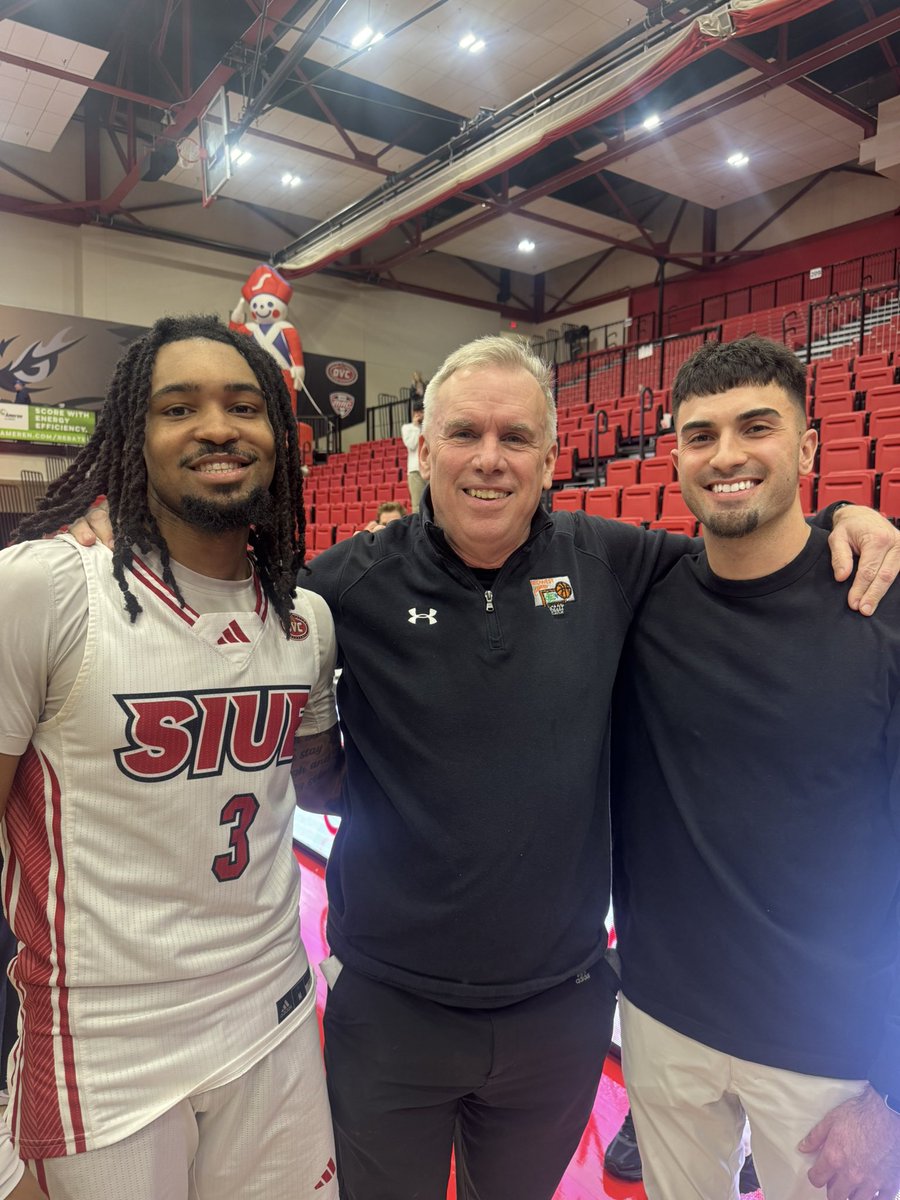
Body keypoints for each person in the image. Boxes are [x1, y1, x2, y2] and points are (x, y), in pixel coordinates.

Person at [71, 335, 900, 1200]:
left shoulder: (619, 562)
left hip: (561, 1011)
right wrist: (130, 531)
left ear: (551, 456)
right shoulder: (344, 585)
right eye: (464, 433)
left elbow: (757, 548)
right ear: (423, 447)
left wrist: (851, 516)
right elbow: (222, 609)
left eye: (516, 438)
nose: (489, 459)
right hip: (390, 1009)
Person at [0, 315, 340, 1199]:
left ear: (280, 435)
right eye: (178, 407)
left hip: (273, 1004)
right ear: (133, 434)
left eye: (244, 407)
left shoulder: (304, 618)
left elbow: (320, 783)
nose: (218, 428)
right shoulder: (44, 589)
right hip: (107, 1038)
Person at [610, 335, 900, 1200]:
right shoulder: (642, 596)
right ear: (675, 458)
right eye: (701, 435)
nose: (726, 455)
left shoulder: (882, 609)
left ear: (807, 448)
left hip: (831, 1056)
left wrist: (892, 1092)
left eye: (757, 427)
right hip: (662, 1020)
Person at [401, 395, 425, 513]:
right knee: (417, 506)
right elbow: (411, 444)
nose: (419, 414)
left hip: (431, 468)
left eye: (422, 412)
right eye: (417, 412)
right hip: (415, 470)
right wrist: (416, 427)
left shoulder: (430, 427)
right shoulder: (407, 428)